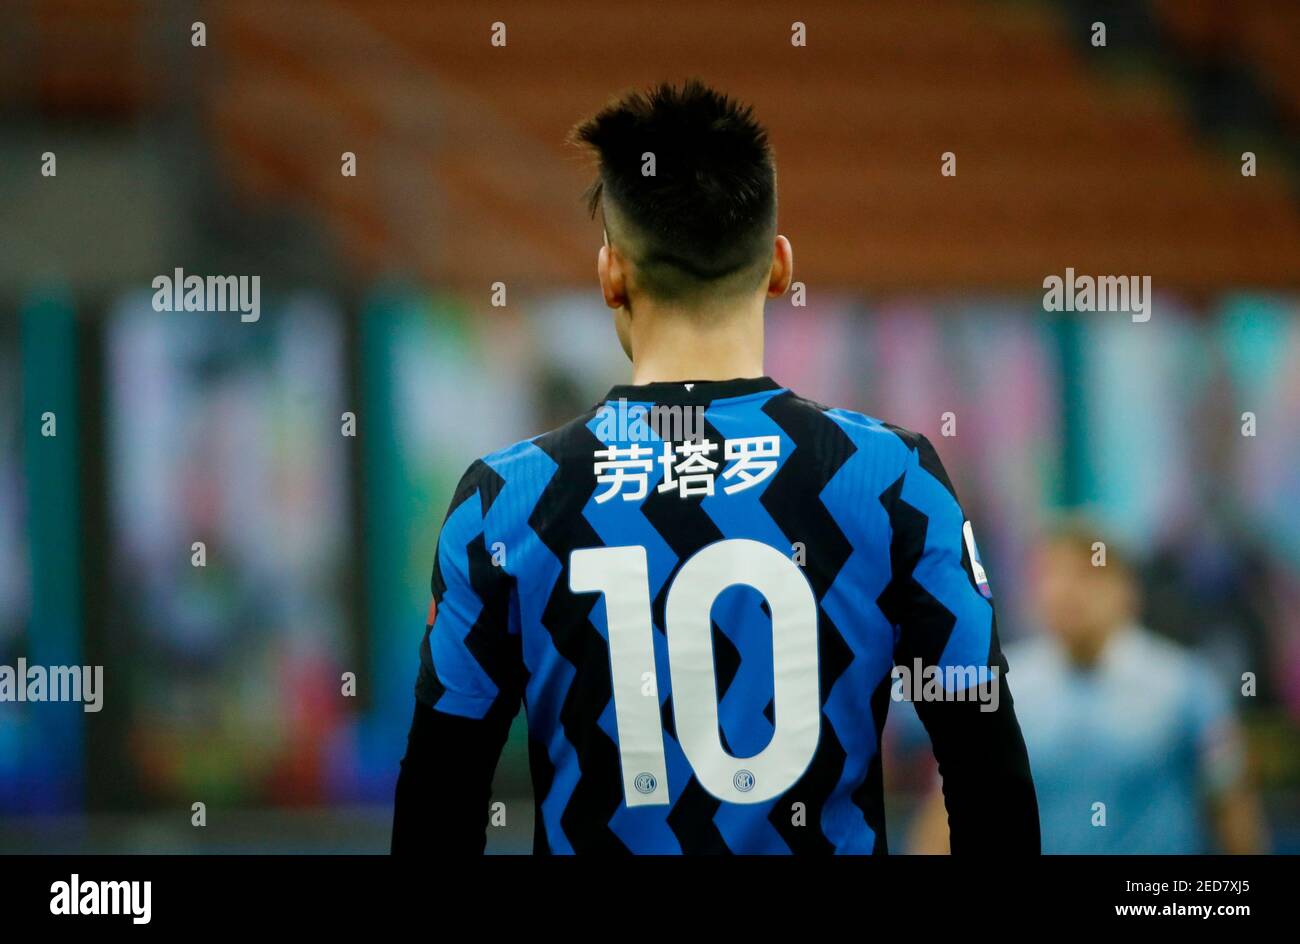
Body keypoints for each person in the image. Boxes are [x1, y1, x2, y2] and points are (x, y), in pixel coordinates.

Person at [392, 80, 1038, 854]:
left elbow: (439, 799)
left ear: (610, 275)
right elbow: (987, 773)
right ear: (779, 265)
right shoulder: (891, 480)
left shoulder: (505, 502)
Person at [909, 519, 1263, 854]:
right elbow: (946, 812)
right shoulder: (998, 690)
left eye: (1086, 575)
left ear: (1126, 589)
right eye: (1051, 575)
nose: (1065, 591)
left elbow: (1233, 808)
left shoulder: (1186, 686)